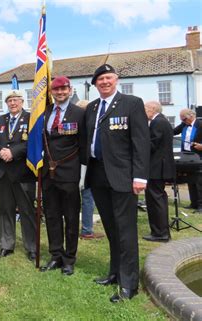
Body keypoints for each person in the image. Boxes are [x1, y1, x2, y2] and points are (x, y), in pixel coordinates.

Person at [85, 64, 150, 302]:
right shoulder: (92, 108)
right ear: (95, 84)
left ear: (116, 79)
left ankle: (129, 284)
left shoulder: (131, 103)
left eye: (108, 78)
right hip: (98, 174)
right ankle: (114, 273)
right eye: (100, 79)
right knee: (112, 229)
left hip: (123, 176)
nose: (104, 82)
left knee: (126, 231)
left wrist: (140, 176)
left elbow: (141, 142)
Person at [39, 76, 86, 276]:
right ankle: (56, 255)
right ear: (51, 92)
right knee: (52, 215)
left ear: (70, 90)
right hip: (48, 174)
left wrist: (83, 175)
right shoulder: (46, 112)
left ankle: (69, 258)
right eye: (56, 90)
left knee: (71, 217)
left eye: (63, 89)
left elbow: (83, 144)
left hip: (69, 173)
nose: (60, 93)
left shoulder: (79, 113)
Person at [0, 90, 37, 261]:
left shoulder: (31, 118)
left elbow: (33, 141)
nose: (12, 103)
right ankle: (6, 245)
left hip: (23, 173)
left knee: (27, 211)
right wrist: (1, 150)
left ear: (22, 101)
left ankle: (32, 247)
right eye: (9, 100)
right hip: (4, 173)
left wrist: (13, 152)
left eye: (15, 100)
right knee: (5, 211)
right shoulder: (1, 120)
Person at [143, 101, 175, 242]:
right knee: (157, 199)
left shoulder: (158, 122)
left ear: (152, 109)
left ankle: (160, 233)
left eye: (144, 109)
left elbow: (152, 144)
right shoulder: (161, 121)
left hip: (157, 168)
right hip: (158, 167)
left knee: (156, 199)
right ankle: (160, 231)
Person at [75, 100, 103, 240]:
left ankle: (82, 229)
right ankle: (86, 230)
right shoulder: (88, 125)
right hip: (84, 165)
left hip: (76, 165)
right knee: (87, 198)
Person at [174, 108, 202, 213]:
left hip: (199, 157)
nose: (183, 121)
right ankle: (193, 203)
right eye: (182, 120)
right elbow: (172, 132)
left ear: (191, 115)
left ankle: (201, 206)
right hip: (187, 157)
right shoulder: (183, 125)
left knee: (199, 182)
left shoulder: (200, 124)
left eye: (184, 119)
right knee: (191, 181)